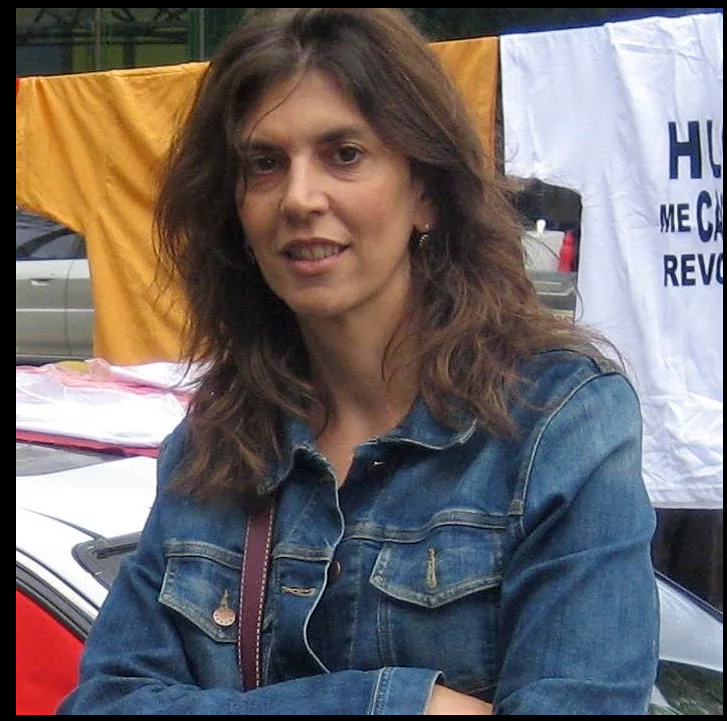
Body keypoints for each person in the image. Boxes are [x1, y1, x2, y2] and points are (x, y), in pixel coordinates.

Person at [57, 7, 659, 716]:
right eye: (264, 164)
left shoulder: (555, 423)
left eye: (343, 154)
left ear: (425, 192)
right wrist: (400, 705)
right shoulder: (215, 450)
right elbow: (104, 703)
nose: (300, 198)